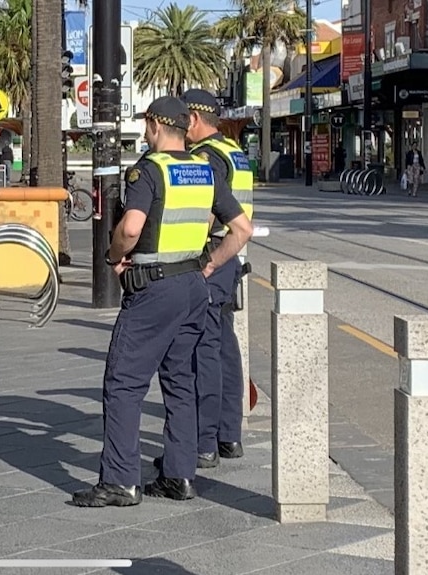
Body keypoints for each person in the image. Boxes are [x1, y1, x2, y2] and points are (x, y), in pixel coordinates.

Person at [71, 97, 252, 507]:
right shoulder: (204, 169)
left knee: (123, 381)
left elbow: (131, 229)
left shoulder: (148, 171)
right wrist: (208, 265)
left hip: (154, 288)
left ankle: (120, 480)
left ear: (154, 126)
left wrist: (114, 257)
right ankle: (179, 474)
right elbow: (242, 228)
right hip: (192, 286)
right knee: (181, 381)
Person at [180, 89, 254, 467]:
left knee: (203, 350)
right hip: (230, 259)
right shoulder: (233, 151)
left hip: (211, 256)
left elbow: (206, 214)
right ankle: (228, 435)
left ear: (194, 119)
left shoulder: (204, 157)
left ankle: (204, 442)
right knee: (225, 345)